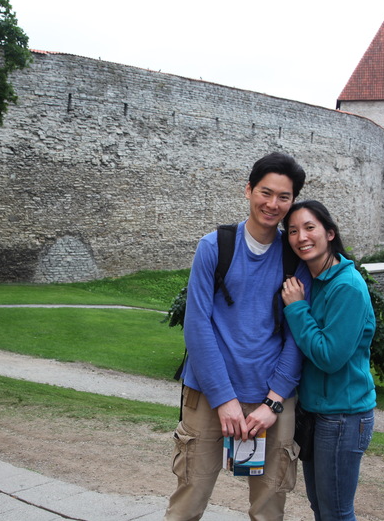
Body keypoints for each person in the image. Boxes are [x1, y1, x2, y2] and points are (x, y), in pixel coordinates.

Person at [164, 152, 309, 521]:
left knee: (269, 510)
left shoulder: (294, 258)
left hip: (272, 401)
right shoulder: (214, 247)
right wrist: (224, 398)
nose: (272, 204)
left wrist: (273, 403)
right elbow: (197, 326)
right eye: (265, 192)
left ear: (292, 201)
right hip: (209, 395)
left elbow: (297, 337)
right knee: (187, 504)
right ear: (248, 190)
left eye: (284, 197)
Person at [281, 200, 376, 521]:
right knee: (321, 508)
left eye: (310, 228)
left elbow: (329, 357)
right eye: (293, 231)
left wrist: (296, 308)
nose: (301, 237)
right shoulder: (314, 281)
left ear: (330, 233)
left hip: (343, 416)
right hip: (318, 414)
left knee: (335, 512)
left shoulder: (347, 287)